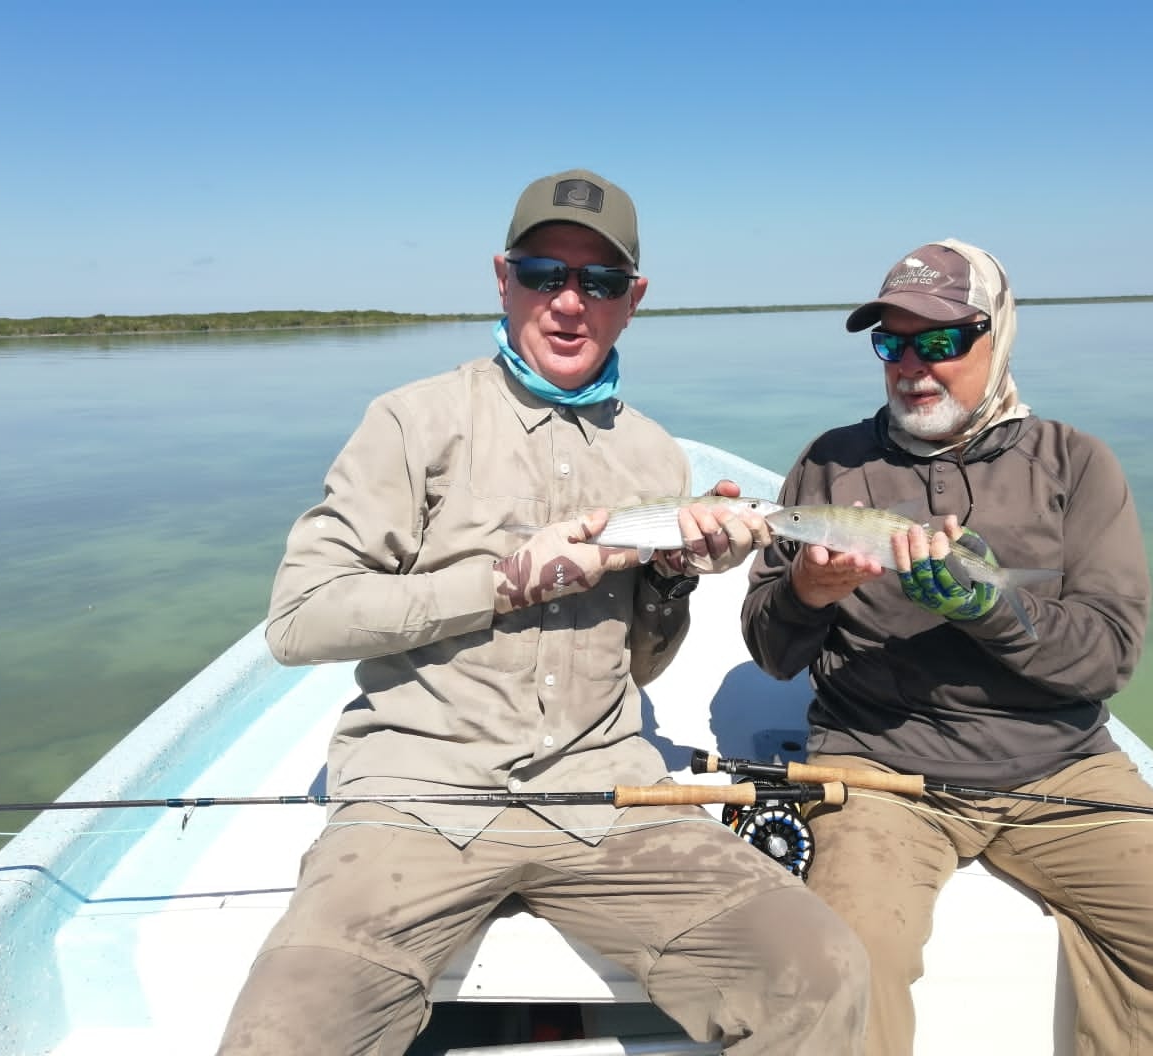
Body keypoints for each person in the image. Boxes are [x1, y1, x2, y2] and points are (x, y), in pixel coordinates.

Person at [216, 168, 869, 1056]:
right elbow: (301, 621)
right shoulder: (412, 422)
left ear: (633, 300)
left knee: (821, 971)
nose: (569, 302)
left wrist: (672, 578)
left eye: (599, 281)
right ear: (503, 279)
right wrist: (511, 579)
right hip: (420, 794)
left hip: (607, 792)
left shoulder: (654, 455)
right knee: (283, 1033)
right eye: (542, 273)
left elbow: (638, 666)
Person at [740, 239, 1153, 1055]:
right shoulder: (829, 464)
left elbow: (1110, 656)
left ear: (999, 334)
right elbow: (770, 652)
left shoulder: (1076, 464)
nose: (913, 365)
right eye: (892, 343)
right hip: (878, 765)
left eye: (941, 340)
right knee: (845, 961)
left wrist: (992, 609)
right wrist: (805, 593)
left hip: (1060, 763)